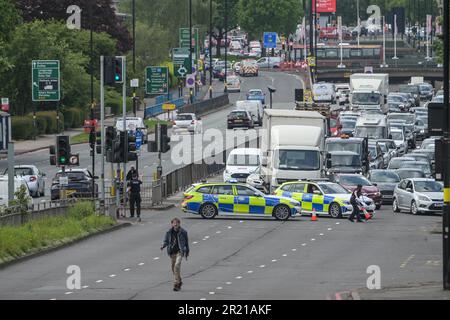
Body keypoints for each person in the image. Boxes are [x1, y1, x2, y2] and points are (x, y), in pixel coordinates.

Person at [161, 218, 189, 291]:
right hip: (172, 252)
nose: (175, 224)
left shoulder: (183, 232)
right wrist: (163, 246)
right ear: (172, 224)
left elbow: (186, 243)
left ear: (179, 224)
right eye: (174, 223)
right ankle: (179, 280)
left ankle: (176, 284)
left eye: (177, 223)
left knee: (177, 266)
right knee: (174, 268)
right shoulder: (169, 232)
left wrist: (186, 251)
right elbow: (166, 241)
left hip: (180, 251)